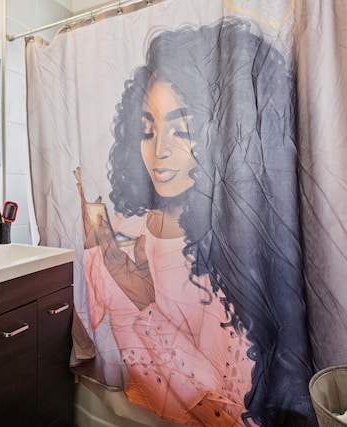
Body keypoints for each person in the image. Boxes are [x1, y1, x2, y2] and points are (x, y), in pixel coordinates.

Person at [75, 19, 315, 427]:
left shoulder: (235, 252)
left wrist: (140, 296)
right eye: (148, 130)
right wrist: (102, 237)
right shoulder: (131, 223)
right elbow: (96, 302)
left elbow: (221, 401)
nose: (160, 151)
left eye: (183, 130)